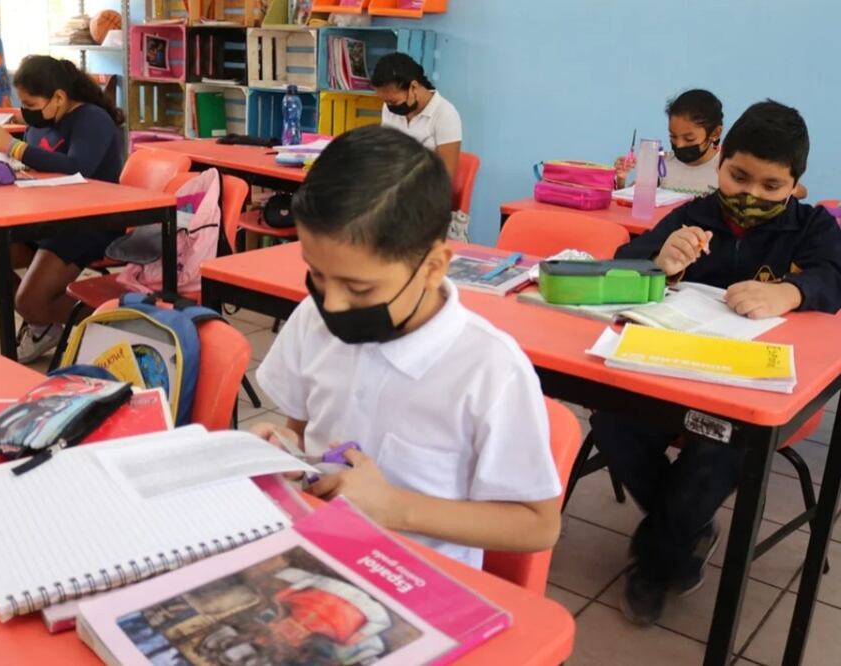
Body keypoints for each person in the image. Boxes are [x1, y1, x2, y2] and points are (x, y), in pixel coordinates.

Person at [251, 125, 561, 569]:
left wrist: (398, 509)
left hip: (420, 580)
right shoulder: (310, 319)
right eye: (317, 275)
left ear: (433, 266)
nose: (332, 304)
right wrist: (283, 449)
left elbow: (538, 524)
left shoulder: (490, 369)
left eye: (359, 287)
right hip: (315, 552)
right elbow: (299, 431)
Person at [592, 100, 841, 626]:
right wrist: (662, 265)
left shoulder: (811, 226)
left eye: (770, 186)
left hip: (750, 387)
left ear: (794, 184)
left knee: (719, 447)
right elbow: (625, 264)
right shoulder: (692, 215)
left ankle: (659, 558)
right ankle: (683, 530)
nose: (750, 195)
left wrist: (792, 293)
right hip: (668, 369)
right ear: (720, 161)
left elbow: (833, 278)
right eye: (738, 177)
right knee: (611, 417)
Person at [0, 55, 125, 363]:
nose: (27, 113)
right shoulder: (43, 122)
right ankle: (43, 325)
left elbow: (77, 167)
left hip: (88, 222)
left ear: (59, 98)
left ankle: (122, 327)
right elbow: (37, 165)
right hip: (44, 219)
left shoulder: (92, 119)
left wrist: (14, 147)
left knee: (31, 299)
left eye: (31, 104)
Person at [615, 89, 725, 196]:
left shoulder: (724, 170)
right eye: (673, 136)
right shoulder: (662, 164)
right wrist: (621, 179)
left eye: (689, 139)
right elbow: (634, 203)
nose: (679, 145)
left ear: (715, 133)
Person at [371, 52, 462, 180]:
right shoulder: (390, 108)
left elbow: (446, 178)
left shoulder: (445, 114)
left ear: (413, 87)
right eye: (386, 102)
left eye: (393, 102)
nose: (389, 106)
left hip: (427, 190)